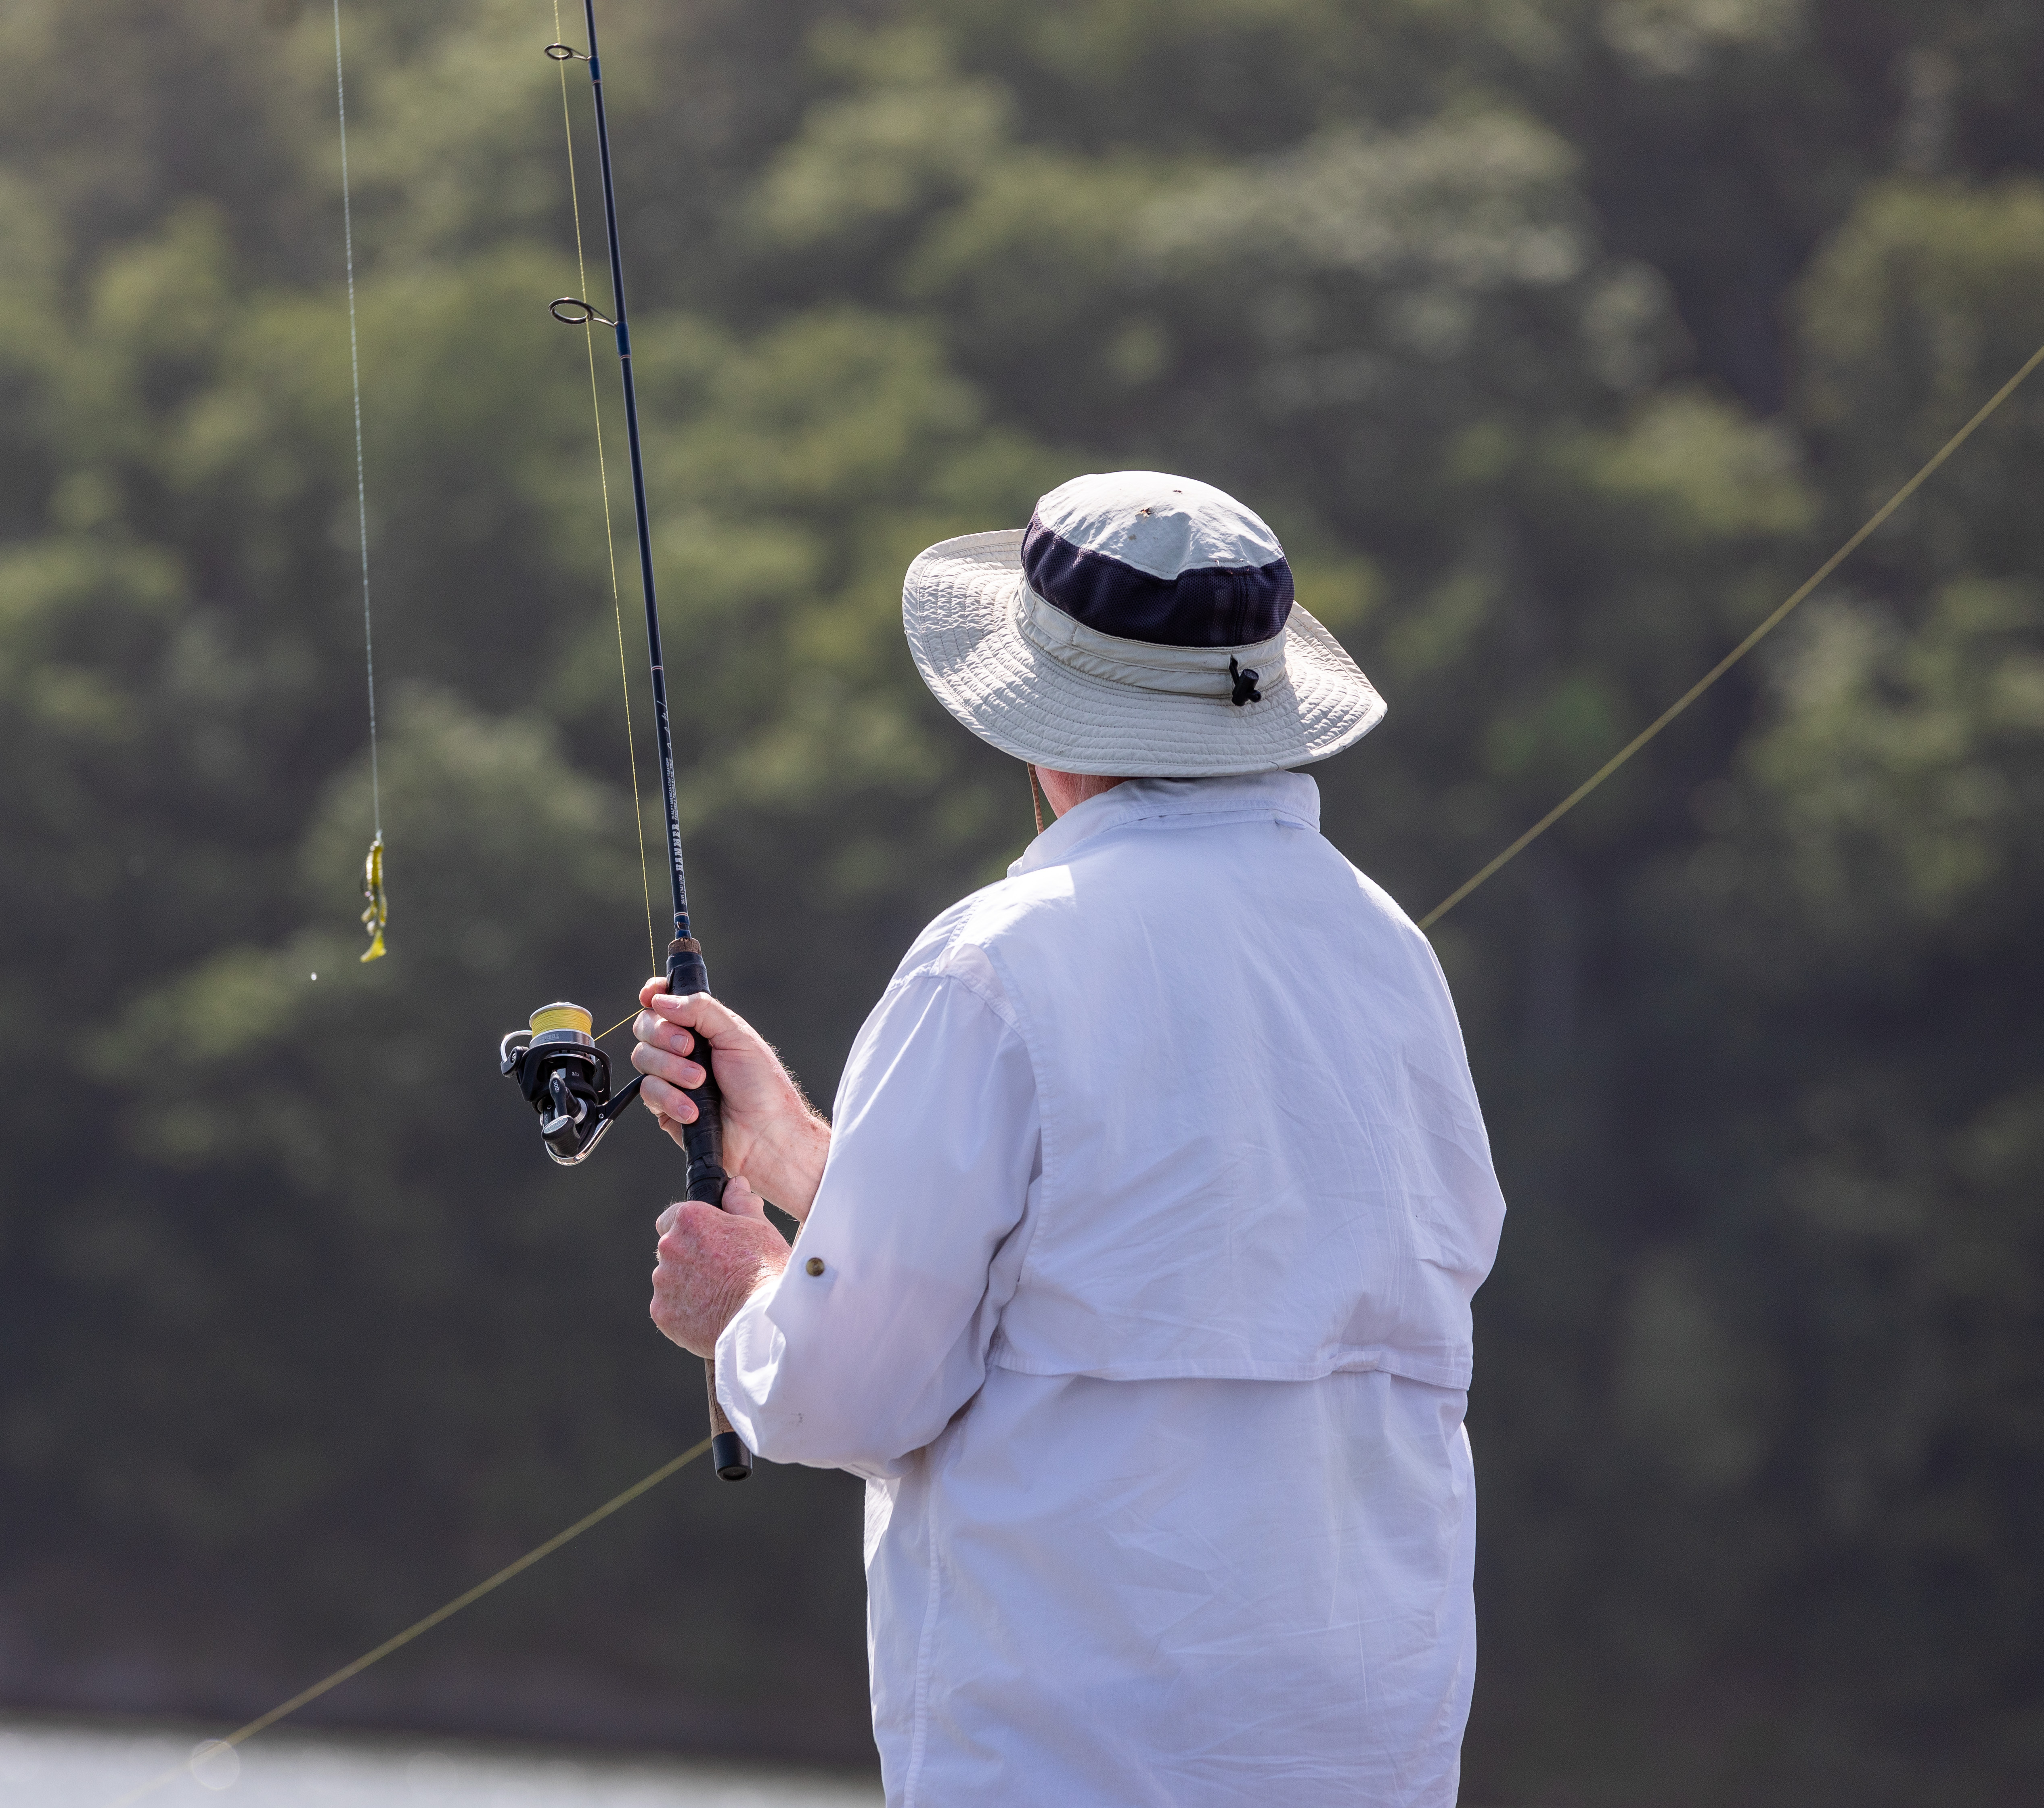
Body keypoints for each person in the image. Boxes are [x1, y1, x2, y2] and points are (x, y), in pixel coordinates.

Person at [631, 471, 1507, 1808]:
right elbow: (1158, 1273)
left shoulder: (992, 965)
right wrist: (802, 1156)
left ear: (1047, 727)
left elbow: (852, 1393)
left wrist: (744, 1295)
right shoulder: (1392, 960)